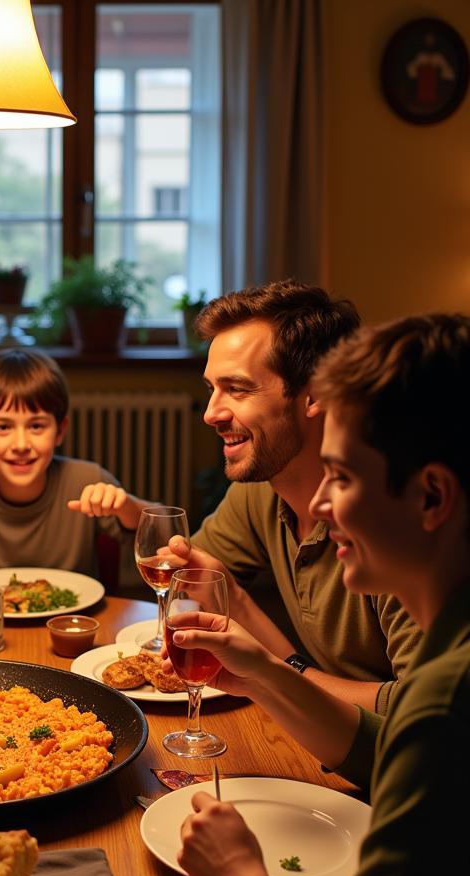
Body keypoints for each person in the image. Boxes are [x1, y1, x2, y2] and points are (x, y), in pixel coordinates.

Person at [168, 313, 470, 876]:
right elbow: (378, 752)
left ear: (431, 497)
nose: (322, 507)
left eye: (341, 477)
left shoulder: (447, 705)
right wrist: (264, 676)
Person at [170, 280, 421, 712]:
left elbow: (423, 716)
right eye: (212, 388)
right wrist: (239, 605)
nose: (211, 413)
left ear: (316, 394)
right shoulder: (262, 489)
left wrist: (281, 673)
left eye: (238, 388)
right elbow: (195, 585)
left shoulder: (395, 520)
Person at [0, 349, 146, 592]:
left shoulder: (86, 480)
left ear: (60, 431)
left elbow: (166, 532)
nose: (21, 445)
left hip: (71, 625)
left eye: (36, 426)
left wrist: (126, 506)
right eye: (2, 427)